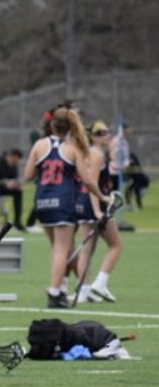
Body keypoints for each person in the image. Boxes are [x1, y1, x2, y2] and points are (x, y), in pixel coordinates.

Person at [23, 104, 108, 309]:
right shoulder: (72, 149)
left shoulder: (39, 145)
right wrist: (102, 197)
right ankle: (55, 292)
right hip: (63, 202)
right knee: (62, 249)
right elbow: (87, 180)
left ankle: (60, 288)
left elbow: (28, 176)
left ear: (52, 124)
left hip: (42, 202)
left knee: (57, 249)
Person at [73, 120, 122, 304]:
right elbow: (91, 183)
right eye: (102, 133)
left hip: (83, 202)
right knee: (116, 245)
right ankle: (100, 283)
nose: (107, 135)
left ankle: (84, 291)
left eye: (108, 131)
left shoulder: (88, 153)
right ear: (93, 137)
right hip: (94, 203)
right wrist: (97, 210)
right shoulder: (96, 155)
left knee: (86, 250)